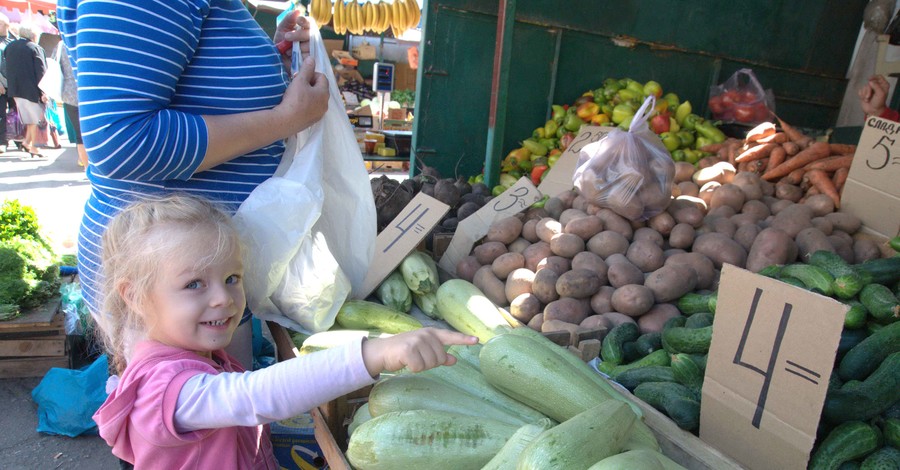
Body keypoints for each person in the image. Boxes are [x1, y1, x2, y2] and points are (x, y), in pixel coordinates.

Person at [94, 193, 478, 468]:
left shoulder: (178, 352)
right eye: (194, 284)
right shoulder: (165, 392)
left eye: (231, 278)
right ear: (136, 297)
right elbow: (256, 396)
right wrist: (373, 354)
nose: (223, 299)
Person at [57, 0, 330, 368]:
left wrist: (271, 67)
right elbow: (119, 141)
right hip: (171, 281)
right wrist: (286, 119)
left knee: (227, 419)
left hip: (197, 276)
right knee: (197, 418)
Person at [1, 23, 46, 157]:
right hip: (32, 89)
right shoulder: (35, 48)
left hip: (15, 89)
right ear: (33, 35)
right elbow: (41, 71)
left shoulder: (10, 47)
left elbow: (4, 67)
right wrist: (44, 91)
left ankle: (28, 143)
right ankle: (32, 146)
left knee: (30, 118)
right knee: (34, 118)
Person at [57, 41, 87, 166]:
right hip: (89, 92)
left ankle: (86, 166)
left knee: (79, 134)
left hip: (70, 93)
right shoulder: (87, 39)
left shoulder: (62, 45)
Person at [0, 13, 17, 154]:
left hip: (14, 84)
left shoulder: (13, 40)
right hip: (1, 83)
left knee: (16, 113)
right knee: (1, 114)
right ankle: (2, 141)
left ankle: (19, 140)